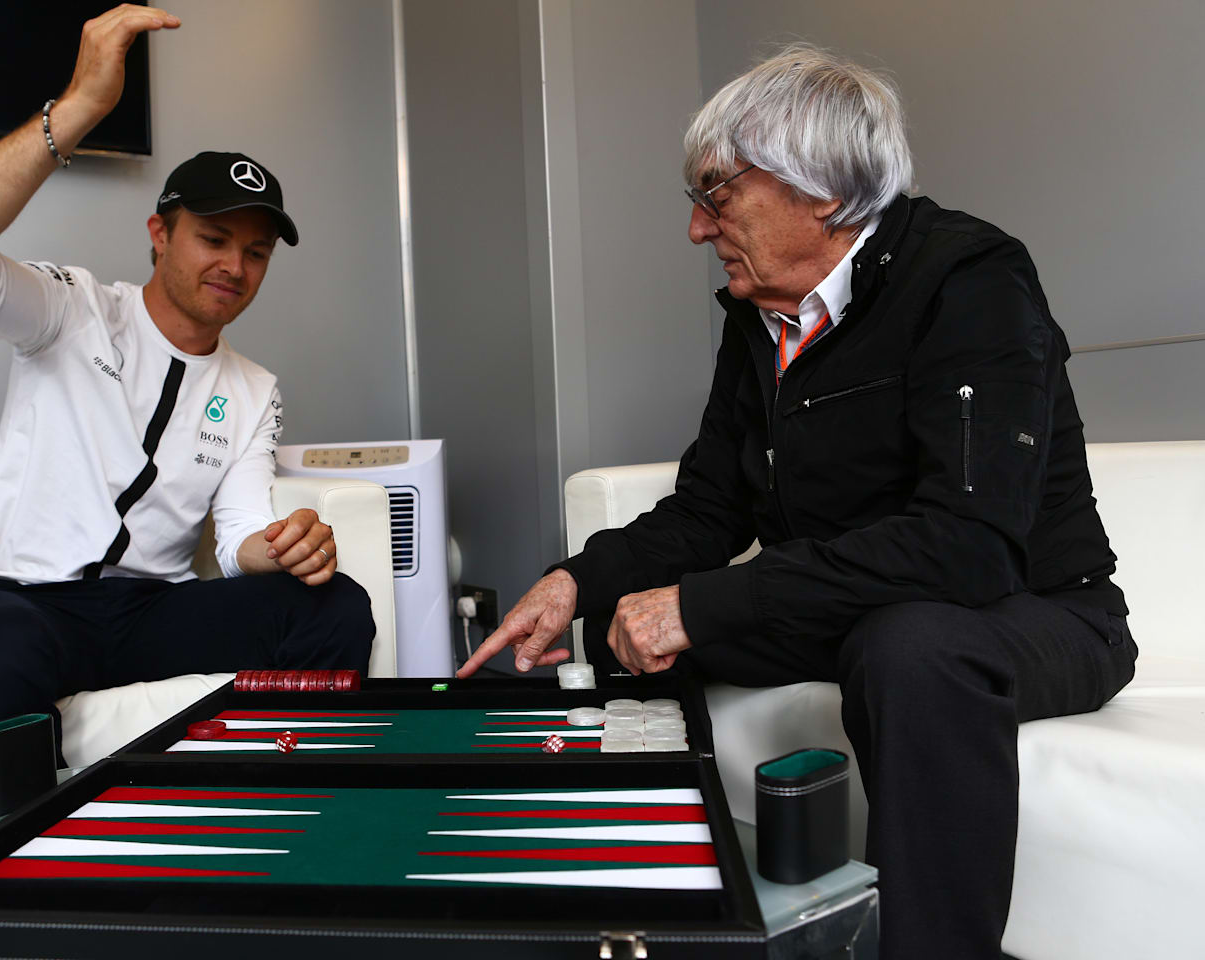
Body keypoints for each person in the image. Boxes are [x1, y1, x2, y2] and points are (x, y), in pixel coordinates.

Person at [458, 45, 1136, 959]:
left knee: (909, 646)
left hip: (1037, 610)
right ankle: (658, 920)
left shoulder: (971, 279)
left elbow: (968, 547)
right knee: (624, 623)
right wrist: (576, 583)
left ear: (820, 189)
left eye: (717, 194)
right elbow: (708, 510)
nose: (699, 229)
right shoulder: (760, 319)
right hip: (858, 605)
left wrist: (701, 605)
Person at [0, 5, 374, 787]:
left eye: (255, 253)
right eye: (213, 240)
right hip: (28, 601)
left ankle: (301, 805)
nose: (235, 267)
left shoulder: (254, 388)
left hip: (153, 614)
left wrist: (284, 544)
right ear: (160, 233)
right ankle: (27, 872)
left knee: (332, 606)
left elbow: (244, 529)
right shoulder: (73, 307)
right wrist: (77, 108)